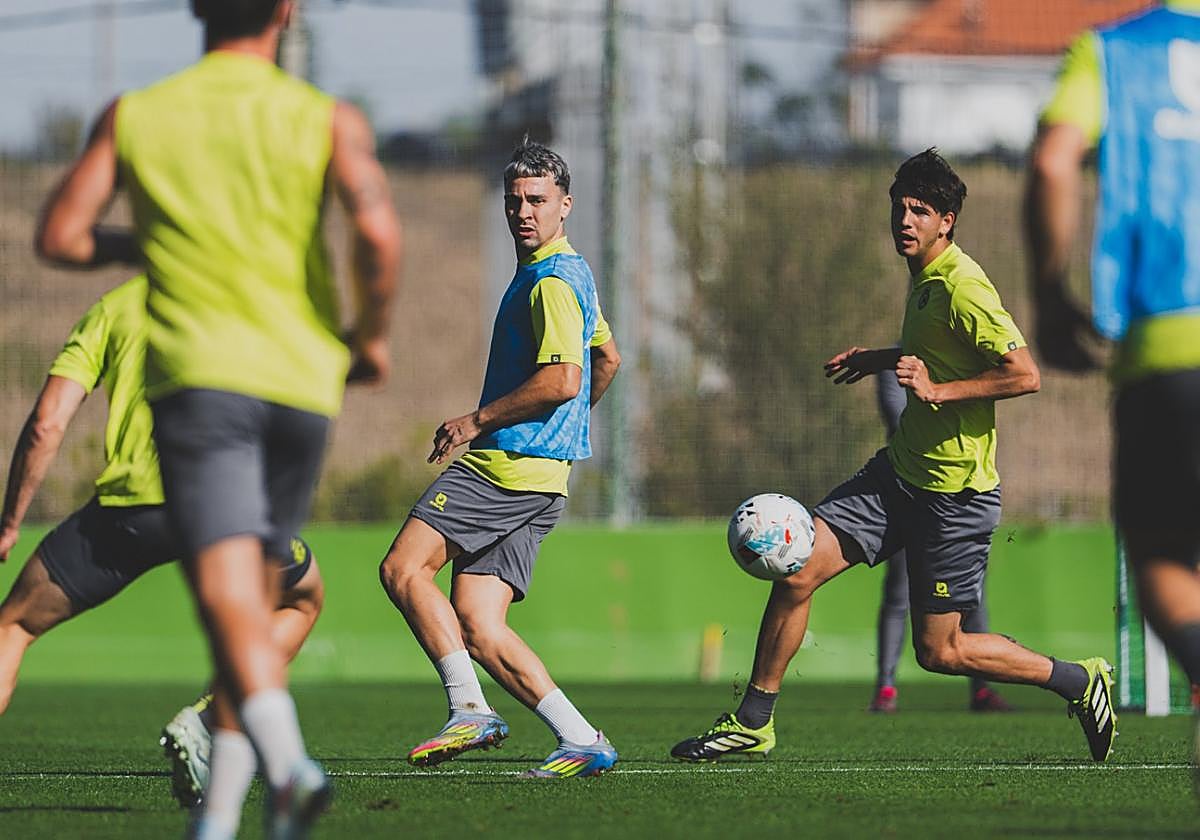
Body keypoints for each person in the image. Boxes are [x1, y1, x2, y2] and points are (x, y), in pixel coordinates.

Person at [34, 1, 401, 836]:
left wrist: (144, 245)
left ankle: (288, 762)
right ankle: (225, 820)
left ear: (197, 7)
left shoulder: (139, 114)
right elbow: (378, 233)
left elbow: (61, 234)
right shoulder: (327, 118)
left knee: (228, 598)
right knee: (266, 592)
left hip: (204, 381)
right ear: (287, 11)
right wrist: (371, 337)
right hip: (305, 386)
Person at [671, 149, 1116, 764]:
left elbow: (1023, 374)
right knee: (797, 566)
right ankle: (754, 721)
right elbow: (936, 349)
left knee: (942, 652)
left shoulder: (963, 285)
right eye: (899, 208)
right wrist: (877, 359)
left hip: (955, 498)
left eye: (920, 211)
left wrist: (936, 391)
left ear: (947, 221)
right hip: (897, 475)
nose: (904, 220)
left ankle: (1078, 680)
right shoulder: (925, 277)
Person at [0, 276, 325, 809]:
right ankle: (207, 717)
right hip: (223, 507)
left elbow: (46, 422)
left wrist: (11, 519)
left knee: (12, 625)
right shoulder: (245, 295)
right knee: (302, 598)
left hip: (128, 514)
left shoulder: (116, 306)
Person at [378, 139, 622, 779]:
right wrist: (563, 438)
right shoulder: (575, 272)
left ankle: (468, 708)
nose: (524, 212)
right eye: (515, 201)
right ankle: (581, 737)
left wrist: (477, 420)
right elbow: (608, 360)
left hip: (505, 467)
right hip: (547, 480)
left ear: (565, 206)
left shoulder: (549, 284)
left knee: (403, 569)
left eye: (538, 200)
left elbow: (565, 378)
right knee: (481, 625)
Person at [1026, 0, 1200, 766]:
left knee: (1162, 556)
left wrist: (1051, 296)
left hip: (1168, 342)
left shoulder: (1112, 53)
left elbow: (1052, 159)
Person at [868, 368, 1011, 713]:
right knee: (898, 593)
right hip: (910, 491)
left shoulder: (962, 357)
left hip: (962, 497)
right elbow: (899, 419)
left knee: (971, 597)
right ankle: (886, 688)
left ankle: (981, 689)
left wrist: (943, 394)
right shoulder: (896, 362)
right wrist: (941, 400)